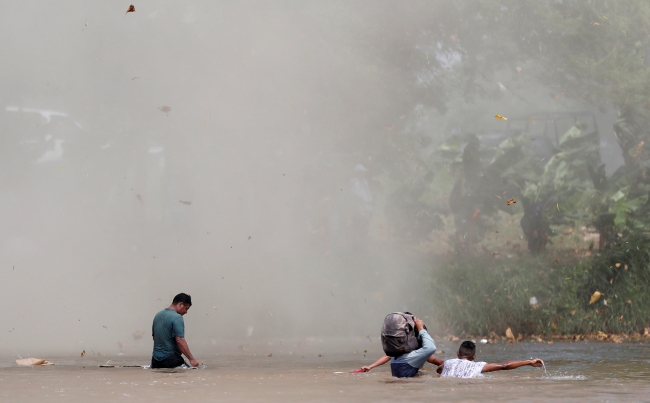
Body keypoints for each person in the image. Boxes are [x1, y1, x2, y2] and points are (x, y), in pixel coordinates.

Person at [361, 316, 436, 378]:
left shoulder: (403, 354)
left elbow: (388, 356)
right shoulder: (409, 354)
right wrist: (421, 329)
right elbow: (431, 348)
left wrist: (370, 367)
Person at [432, 340, 544, 378]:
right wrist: (529, 362)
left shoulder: (447, 363)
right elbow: (504, 366)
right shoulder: (476, 366)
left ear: (457, 353)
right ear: (474, 356)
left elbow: (430, 359)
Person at [151, 293, 200, 368]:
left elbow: (155, 338)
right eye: (186, 308)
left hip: (155, 361)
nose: (186, 312)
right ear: (181, 304)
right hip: (171, 360)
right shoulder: (177, 317)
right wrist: (191, 359)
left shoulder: (158, 315)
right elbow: (180, 340)